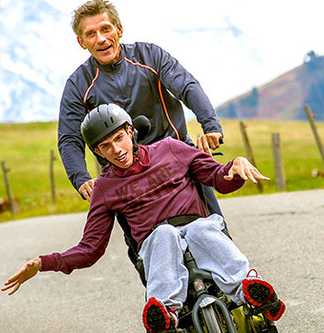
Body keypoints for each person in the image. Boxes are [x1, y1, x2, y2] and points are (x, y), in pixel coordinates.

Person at [2, 104, 285, 333]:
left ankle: (250, 289)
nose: (116, 149)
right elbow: (90, 249)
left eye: (119, 138)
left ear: (130, 131)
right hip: (158, 244)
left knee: (200, 228)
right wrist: (43, 263)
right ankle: (164, 312)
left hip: (197, 228)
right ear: (97, 152)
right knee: (164, 235)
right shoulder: (104, 187)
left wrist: (233, 167)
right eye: (105, 146)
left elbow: (216, 177)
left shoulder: (171, 149)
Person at [59, 0, 226, 277]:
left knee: (215, 231)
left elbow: (186, 86)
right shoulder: (78, 84)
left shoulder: (150, 56)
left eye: (105, 29)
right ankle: (165, 310)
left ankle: (244, 297)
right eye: (91, 34)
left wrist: (210, 125)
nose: (100, 38)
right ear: (81, 42)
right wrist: (80, 177)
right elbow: (69, 137)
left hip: (176, 159)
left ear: (119, 30)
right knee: (146, 255)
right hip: (124, 176)